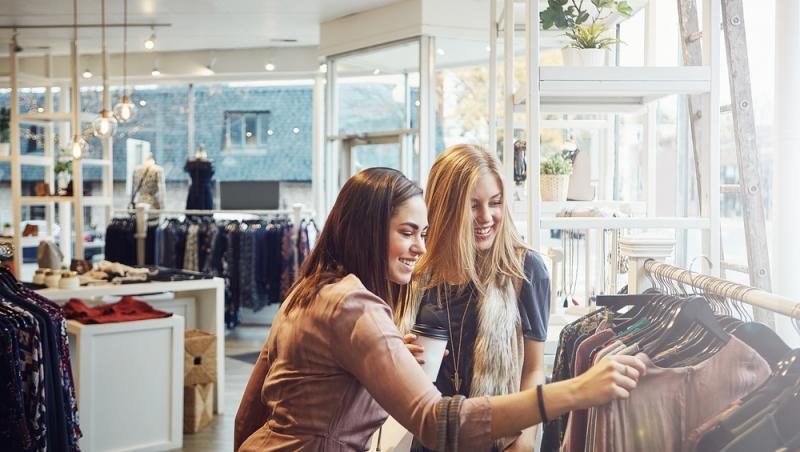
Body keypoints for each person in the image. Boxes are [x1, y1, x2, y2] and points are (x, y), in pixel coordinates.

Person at [234, 167, 645, 451]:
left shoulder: (309, 290)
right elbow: (436, 420)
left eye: (423, 233)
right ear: (367, 231)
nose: (420, 248)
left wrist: (385, 360)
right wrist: (575, 390)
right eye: (407, 233)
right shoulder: (356, 305)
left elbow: (249, 413)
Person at [395, 144, 549, 451]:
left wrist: (526, 439)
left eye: (495, 203)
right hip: (425, 439)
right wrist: (399, 354)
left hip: (496, 440)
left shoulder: (524, 270)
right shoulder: (414, 274)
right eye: (472, 205)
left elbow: (533, 368)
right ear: (445, 206)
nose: (487, 217)